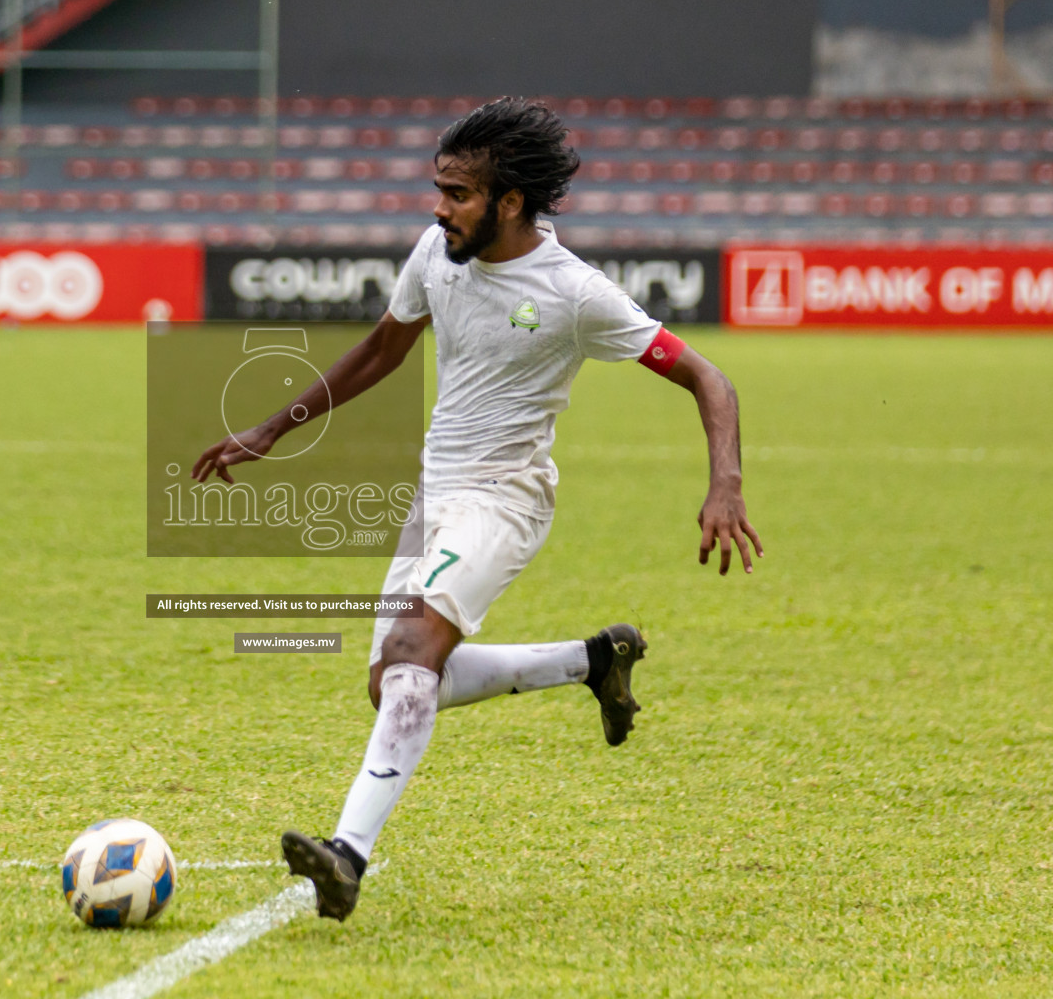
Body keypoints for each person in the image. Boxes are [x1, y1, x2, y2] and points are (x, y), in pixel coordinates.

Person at [191, 97, 763, 921]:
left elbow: (709, 377)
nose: (439, 206)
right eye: (438, 188)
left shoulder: (574, 292)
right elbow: (384, 348)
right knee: (395, 680)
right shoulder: (437, 250)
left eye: (457, 193)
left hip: (506, 496)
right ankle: (593, 661)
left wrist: (725, 484)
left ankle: (347, 855)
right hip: (436, 493)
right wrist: (272, 429)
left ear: (508, 203)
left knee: (415, 647)